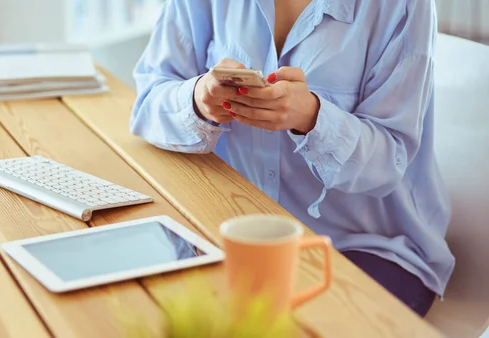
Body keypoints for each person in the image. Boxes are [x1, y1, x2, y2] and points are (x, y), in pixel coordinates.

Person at [130, 0, 454, 317]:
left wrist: (313, 117)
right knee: (142, 306)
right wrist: (199, 99)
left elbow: (389, 160)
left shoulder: (405, 6)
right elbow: (148, 101)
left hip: (366, 246)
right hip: (231, 228)